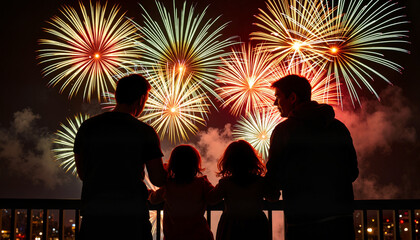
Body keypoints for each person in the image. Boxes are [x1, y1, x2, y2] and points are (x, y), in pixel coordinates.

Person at [74, 74, 167, 240]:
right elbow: (158, 179)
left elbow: (82, 173)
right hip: (132, 217)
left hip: (95, 214)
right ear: (141, 99)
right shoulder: (145, 131)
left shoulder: (88, 127)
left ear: (117, 96)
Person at [266, 74, 359, 240]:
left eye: (278, 97)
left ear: (292, 97)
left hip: (303, 224)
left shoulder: (284, 131)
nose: (275, 103)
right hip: (341, 222)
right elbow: (352, 172)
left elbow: (273, 178)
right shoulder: (337, 127)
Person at [207, 140, 274, 240]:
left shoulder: (225, 183)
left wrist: (205, 184)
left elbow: (211, 199)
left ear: (228, 162)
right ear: (252, 160)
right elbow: (273, 197)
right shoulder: (260, 182)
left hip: (231, 226)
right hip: (257, 225)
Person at [149, 145, 214, 240]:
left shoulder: (169, 186)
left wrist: (150, 193)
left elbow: (153, 199)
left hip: (174, 236)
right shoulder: (202, 183)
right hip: (199, 236)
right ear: (195, 164)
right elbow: (214, 197)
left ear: (173, 165)